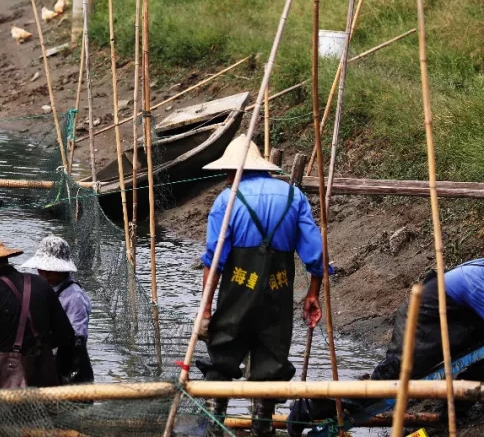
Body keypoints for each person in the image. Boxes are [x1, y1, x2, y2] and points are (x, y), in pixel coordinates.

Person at [196, 136, 326, 437]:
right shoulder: (294, 197)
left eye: (228, 171)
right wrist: (312, 294)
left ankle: (215, 425)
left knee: (223, 353)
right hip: (276, 296)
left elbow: (214, 261)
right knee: (271, 357)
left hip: (237, 294)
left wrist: (205, 308)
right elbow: (316, 255)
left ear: (234, 170)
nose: (227, 177)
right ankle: (262, 427)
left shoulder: (227, 200)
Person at [288, 258, 484, 436]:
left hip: (453, 320)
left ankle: (454, 415)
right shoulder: (479, 280)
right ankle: (310, 407)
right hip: (423, 318)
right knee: (389, 381)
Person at [0, 231, 75, 417]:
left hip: (4, 395)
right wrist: (37, 349)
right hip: (45, 390)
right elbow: (66, 336)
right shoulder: (41, 285)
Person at [21, 235, 93, 384]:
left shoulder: (74, 297)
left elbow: (77, 341)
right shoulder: (47, 291)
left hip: (67, 367)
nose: (44, 275)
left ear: (62, 270)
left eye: (50, 271)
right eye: (41, 270)